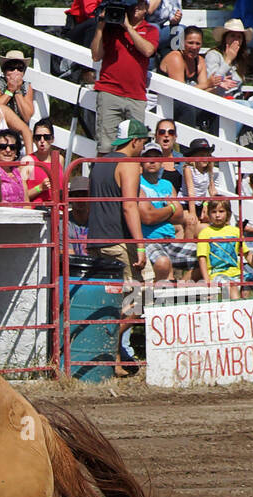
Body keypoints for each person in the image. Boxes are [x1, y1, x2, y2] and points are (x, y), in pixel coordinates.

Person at [88, 118, 149, 374]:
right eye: (143, 142)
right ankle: (103, 346)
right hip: (119, 241)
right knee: (139, 299)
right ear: (134, 141)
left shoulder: (98, 163)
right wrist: (141, 245)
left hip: (95, 240)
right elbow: (129, 205)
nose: (144, 148)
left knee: (110, 302)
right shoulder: (129, 165)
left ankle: (113, 358)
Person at [90, 0, 157, 155]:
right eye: (134, 5)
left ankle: (128, 178)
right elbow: (96, 55)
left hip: (136, 96)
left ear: (146, 9)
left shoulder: (150, 29)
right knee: (106, 146)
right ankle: (103, 178)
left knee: (135, 146)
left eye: (141, 5)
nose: (137, 8)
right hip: (109, 92)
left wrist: (127, 27)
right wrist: (100, 27)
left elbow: (148, 50)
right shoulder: (111, 27)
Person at [137, 140, 182, 281]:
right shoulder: (137, 183)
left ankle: (184, 289)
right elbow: (148, 218)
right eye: (147, 158)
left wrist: (160, 212)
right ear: (141, 162)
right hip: (149, 240)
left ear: (162, 162)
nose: (152, 161)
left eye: (156, 158)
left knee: (201, 255)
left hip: (170, 239)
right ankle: (154, 298)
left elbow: (179, 217)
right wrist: (171, 208)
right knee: (163, 263)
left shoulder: (167, 184)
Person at [196, 199, 253, 298]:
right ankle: (236, 311)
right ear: (209, 214)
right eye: (214, 212)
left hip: (237, 272)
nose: (217, 215)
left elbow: (247, 254)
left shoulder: (235, 231)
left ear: (228, 213)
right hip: (217, 274)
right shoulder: (205, 233)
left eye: (221, 211)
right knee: (233, 286)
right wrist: (207, 282)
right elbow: (202, 259)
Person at [206, 19, 250, 100]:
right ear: (225, 38)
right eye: (232, 35)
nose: (236, 40)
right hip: (218, 99)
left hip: (236, 98)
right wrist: (228, 60)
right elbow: (212, 81)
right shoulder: (213, 55)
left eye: (239, 37)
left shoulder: (239, 58)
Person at [0, 50, 35, 126]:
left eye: (20, 68)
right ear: (4, 71)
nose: (16, 71)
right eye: (11, 68)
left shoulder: (26, 86)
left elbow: (27, 116)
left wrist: (17, 91)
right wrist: (10, 91)